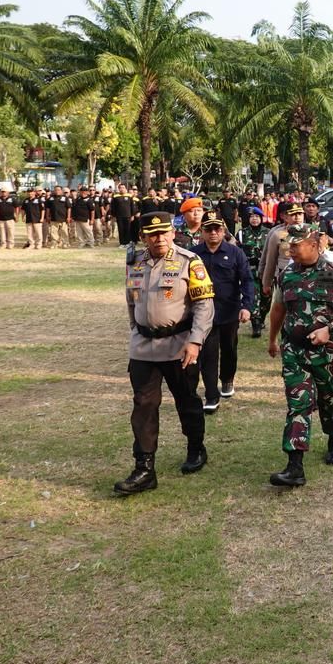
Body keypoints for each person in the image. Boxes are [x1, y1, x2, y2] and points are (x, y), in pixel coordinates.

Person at [115, 211, 216, 495]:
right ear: (143, 237)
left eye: (163, 233)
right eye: (152, 234)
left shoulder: (189, 261)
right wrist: (136, 330)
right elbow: (130, 301)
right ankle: (144, 468)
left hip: (179, 345)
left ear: (173, 233)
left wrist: (195, 341)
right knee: (143, 405)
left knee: (187, 401)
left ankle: (196, 448)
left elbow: (204, 306)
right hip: (144, 348)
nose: (158, 238)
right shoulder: (134, 262)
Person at [266, 223, 333, 487]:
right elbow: (278, 310)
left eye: (295, 245)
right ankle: (294, 466)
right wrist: (273, 340)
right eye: (289, 245)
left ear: (313, 243)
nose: (290, 250)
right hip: (294, 351)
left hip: (327, 353)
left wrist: (329, 329)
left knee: (331, 399)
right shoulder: (286, 274)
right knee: (298, 403)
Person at [191, 211, 254, 412]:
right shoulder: (194, 254)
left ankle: (227, 379)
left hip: (229, 311)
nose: (213, 233)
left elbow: (247, 281)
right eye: (208, 229)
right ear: (202, 231)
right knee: (207, 354)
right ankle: (211, 394)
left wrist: (246, 307)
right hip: (203, 314)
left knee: (229, 349)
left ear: (223, 230)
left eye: (217, 229)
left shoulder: (235, 253)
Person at [239, 208, 273, 337]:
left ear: (261, 218)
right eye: (252, 217)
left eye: (257, 217)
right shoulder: (242, 233)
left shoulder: (269, 233)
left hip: (266, 271)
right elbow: (237, 251)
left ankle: (262, 318)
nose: (254, 219)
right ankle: (256, 324)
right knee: (254, 297)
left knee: (266, 299)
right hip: (250, 271)